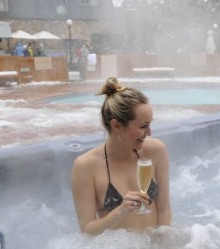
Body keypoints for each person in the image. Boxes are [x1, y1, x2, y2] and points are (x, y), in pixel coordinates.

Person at [71, 77, 171, 234]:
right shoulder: (86, 166)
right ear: (116, 125)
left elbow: (164, 211)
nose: (150, 133)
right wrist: (120, 211)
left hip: (154, 247)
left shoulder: (156, 150)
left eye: (150, 124)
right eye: (143, 126)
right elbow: (87, 230)